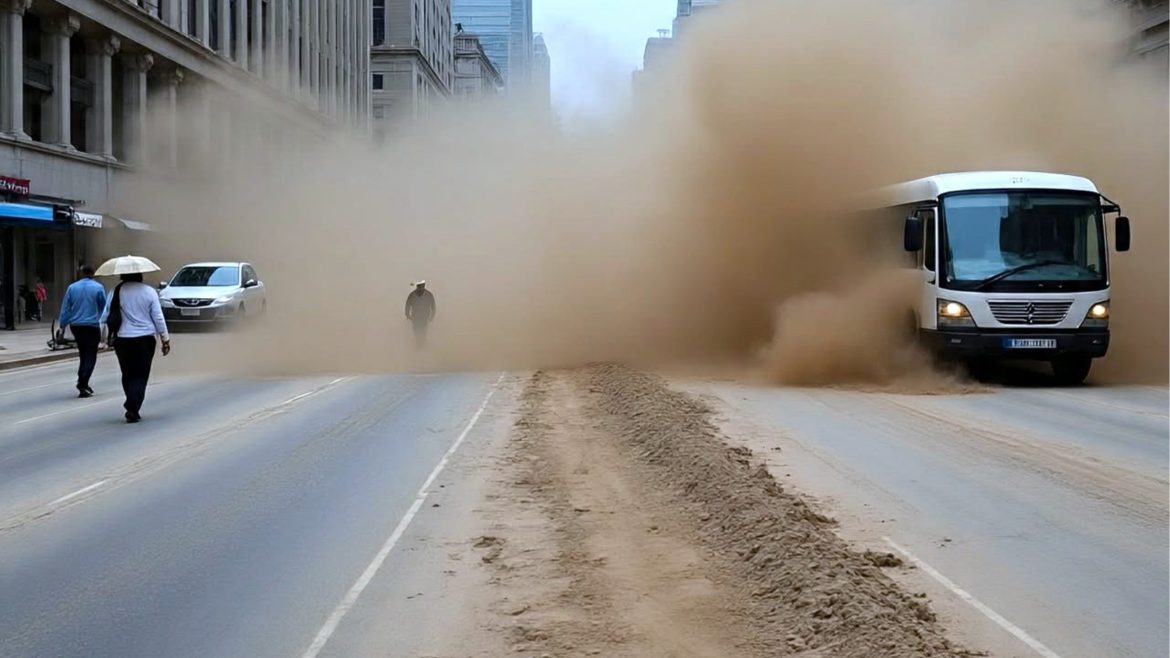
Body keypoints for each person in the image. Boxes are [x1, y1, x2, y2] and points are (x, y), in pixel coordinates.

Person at [102, 273, 171, 423]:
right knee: (141, 374)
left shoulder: (115, 291)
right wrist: (165, 338)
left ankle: (131, 402)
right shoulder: (149, 291)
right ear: (140, 276)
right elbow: (158, 317)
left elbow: (105, 315)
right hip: (145, 339)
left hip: (122, 339)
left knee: (127, 373)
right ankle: (133, 406)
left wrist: (104, 339)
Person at [58, 265, 108, 398]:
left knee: (83, 353)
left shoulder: (72, 288)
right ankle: (83, 382)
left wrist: (62, 324)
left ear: (82, 274)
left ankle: (83, 382)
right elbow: (104, 307)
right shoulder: (98, 287)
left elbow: (66, 308)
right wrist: (105, 322)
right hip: (92, 326)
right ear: (92, 274)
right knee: (91, 355)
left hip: (76, 326)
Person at [404, 280, 436, 347]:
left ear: (424, 286)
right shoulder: (412, 295)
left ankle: (422, 344)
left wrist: (432, 316)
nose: (420, 288)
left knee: (423, 331)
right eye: (418, 286)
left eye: (421, 286)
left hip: (424, 317)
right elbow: (407, 305)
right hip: (415, 317)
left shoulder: (428, 295)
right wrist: (407, 315)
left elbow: (433, 306)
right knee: (416, 331)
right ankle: (418, 344)